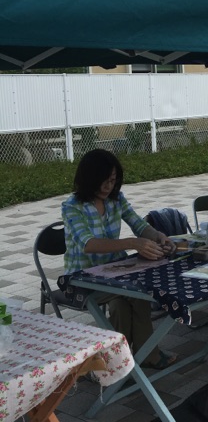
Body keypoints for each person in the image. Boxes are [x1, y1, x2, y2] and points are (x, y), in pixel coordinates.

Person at [62, 149, 176, 370]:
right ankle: (131, 358)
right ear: (89, 179)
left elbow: (138, 224)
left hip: (115, 271)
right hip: (82, 278)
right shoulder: (72, 206)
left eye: (113, 181)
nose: (108, 186)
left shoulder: (116, 199)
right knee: (133, 295)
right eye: (103, 181)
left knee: (130, 299)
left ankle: (124, 360)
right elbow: (89, 244)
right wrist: (132, 243)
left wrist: (158, 236)